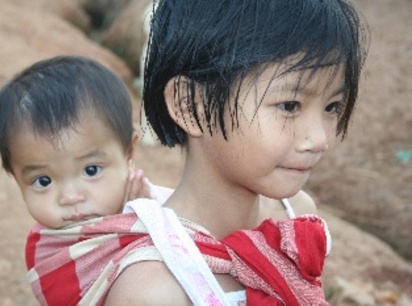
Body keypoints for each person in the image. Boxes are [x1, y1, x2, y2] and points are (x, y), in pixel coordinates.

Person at [104, 0, 369, 305]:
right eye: (289, 106)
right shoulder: (155, 288)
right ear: (190, 105)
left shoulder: (295, 218)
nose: (320, 138)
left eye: (331, 107)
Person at [0, 55, 172, 304]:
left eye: (91, 170)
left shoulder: (167, 206)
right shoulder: (50, 251)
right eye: (43, 181)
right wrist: (136, 228)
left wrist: (147, 217)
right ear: (15, 176)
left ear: (129, 151)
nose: (70, 197)